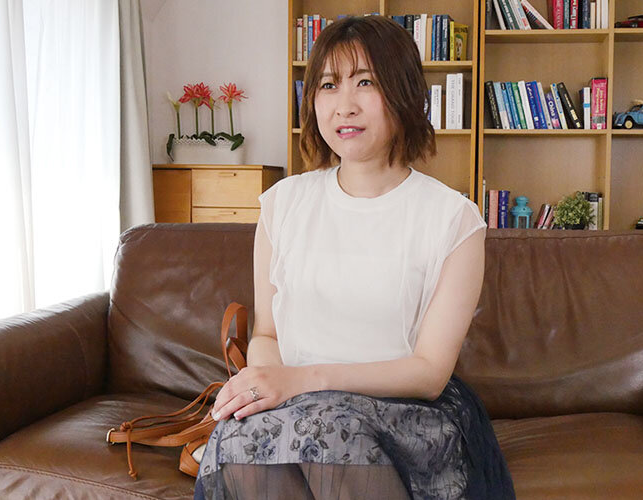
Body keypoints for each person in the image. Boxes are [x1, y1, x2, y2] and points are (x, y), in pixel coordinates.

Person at [194, 15, 516, 500]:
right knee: (243, 438)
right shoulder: (283, 204)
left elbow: (429, 373)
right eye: (329, 85)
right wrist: (266, 386)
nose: (344, 105)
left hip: (402, 416)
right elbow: (266, 335)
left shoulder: (453, 219)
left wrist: (301, 383)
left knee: (326, 434)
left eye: (365, 82)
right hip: (297, 411)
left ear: (403, 93)